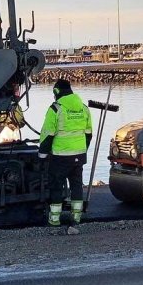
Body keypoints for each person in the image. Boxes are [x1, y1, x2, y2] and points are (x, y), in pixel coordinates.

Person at [38, 79, 93, 234]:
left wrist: (42, 155)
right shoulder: (84, 108)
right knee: (76, 186)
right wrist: (82, 150)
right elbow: (89, 134)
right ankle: (76, 218)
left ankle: (54, 220)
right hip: (79, 155)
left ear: (56, 92)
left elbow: (47, 134)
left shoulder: (55, 109)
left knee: (56, 186)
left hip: (60, 156)